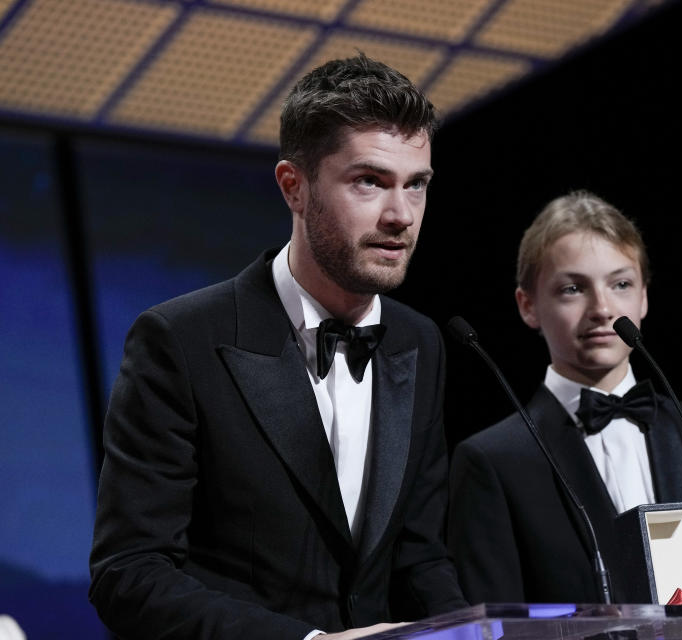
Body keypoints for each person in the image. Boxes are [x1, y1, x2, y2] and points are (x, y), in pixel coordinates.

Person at [89, 55, 466, 639]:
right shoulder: (181, 341)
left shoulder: (420, 341)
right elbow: (130, 572)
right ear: (294, 187)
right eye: (370, 181)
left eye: (416, 185)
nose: (401, 215)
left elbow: (420, 558)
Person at [447, 190, 682, 604]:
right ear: (528, 306)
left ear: (644, 297)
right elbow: (494, 622)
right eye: (572, 288)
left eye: (620, 284)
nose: (602, 308)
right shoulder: (493, 461)